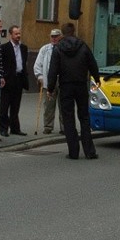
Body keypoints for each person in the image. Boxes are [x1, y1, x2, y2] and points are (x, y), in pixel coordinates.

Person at [47, 22, 101, 160]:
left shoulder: (58, 48)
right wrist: (97, 78)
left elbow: (53, 71)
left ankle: (73, 152)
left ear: (63, 33)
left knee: (68, 118)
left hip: (65, 87)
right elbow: (92, 63)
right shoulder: (83, 46)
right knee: (84, 117)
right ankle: (89, 151)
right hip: (81, 85)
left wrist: (50, 88)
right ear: (74, 31)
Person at [0, 24, 29, 136]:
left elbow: (24, 62)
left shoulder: (23, 48)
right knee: (4, 105)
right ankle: (3, 128)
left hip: (19, 78)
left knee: (16, 106)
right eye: (16, 34)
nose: (18, 36)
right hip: (8, 79)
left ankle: (15, 128)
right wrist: (2, 76)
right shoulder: (4, 48)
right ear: (11, 35)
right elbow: (1, 63)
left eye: (19, 33)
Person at [33, 28, 64, 134]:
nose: (54, 38)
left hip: (62, 80)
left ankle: (64, 127)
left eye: (56, 36)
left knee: (63, 104)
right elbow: (38, 64)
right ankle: (48, 126)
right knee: (48, 105)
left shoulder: (64, 48)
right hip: (48, 80)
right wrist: (40, 76)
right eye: (52, 36)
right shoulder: (45, 49)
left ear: (61, 36)